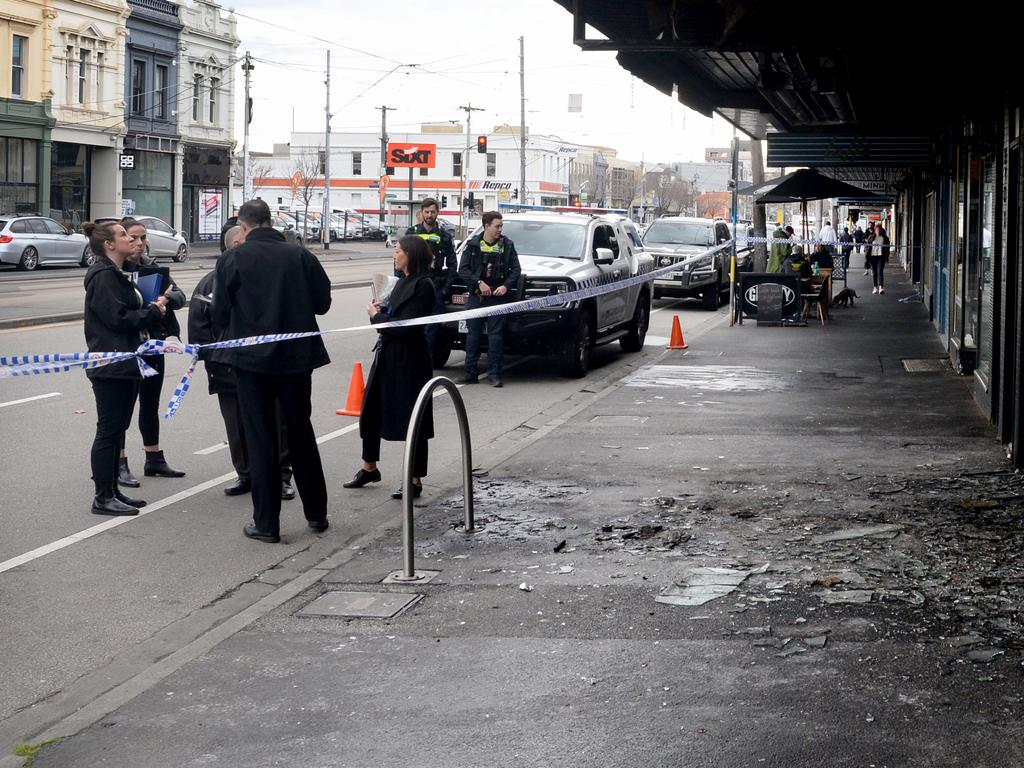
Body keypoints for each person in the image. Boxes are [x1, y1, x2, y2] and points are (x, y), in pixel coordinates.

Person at [212, 199, 331, 543]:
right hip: (296, 360)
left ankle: (266, 524)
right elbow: (323, 303)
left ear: (244, 226)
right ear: (270, 221)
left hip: (251, 363)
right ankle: (317, 513)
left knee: (260, 439)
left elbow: (219, 312)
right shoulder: (300, 255)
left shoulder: (232, 258)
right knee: (300, 434)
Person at [188, 225, 295, 500]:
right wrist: (213, 359)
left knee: (276, 420)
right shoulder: (211, 282)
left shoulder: (266, 277)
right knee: (236, 425)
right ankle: (245, 474)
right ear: (234, 245)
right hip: (227, 368)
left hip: (267, 364)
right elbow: (200, 325)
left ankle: (282, 476)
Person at [82, 221, 168, 515]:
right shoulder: (104, 276)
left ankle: (113, 490)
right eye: (122, 235)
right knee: (109, 431)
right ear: (108, 244)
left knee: (118, 428)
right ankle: (102, 496)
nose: (130, 239)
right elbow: (119, 319)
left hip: (126, 361)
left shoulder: (116, 274)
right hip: (111, 365)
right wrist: (152, 311)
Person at [343, 236, 436, 499]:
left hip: (410, 361)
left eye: (398, 251)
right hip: (387, 355)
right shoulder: (400, 282)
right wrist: (380, 310)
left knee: (413, 418)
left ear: (411, 254)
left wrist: (377, 317)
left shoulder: (423, 285)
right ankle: (369, 466)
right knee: (370, 409)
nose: (394, 256)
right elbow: (393, 316)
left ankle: (415, 479)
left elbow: (406, 327)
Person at [115, 217, 187, 487]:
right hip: (126, 348)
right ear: (121, 239)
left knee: (150, 403)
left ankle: (153, 458)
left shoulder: (153, 268)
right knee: (123, 407)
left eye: (143, 237)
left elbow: (179, 295)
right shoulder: (113, 271)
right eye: (133, 237)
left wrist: (166, 299)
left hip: (153, 343)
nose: (139, 243)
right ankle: (119, 462)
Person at [458, 211, 522, 387]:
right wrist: (478, 283)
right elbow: (462, 270)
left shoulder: (507, 245)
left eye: (501, 226)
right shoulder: (472, 245)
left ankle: (494, 374)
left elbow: (516, 270)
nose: (500, 230)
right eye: (497, 226)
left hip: (497, 298)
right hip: (477, 297)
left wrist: (506, 286)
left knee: (495, 337)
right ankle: (470, 373)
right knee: (473, 336)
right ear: (486, 226)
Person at [405, 198, 456, 364]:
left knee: (431, 330)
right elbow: (399, 260)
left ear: (437, 213)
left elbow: (453, 266)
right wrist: (401, 285)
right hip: (414, 285)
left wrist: (444, 290)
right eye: (426, 212)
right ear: (421, 213)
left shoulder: (444, 236)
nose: (429, 215)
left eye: (432, 212)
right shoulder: (411, 233)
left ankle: (425, 365)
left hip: (435, 288)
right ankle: (411, 362)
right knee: (412, 327)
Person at [868, 223, 891, 294]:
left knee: (880, 271)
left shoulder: (885, 238)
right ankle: (875, 287)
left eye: (879, 230)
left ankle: (881, 287)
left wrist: (886, 255)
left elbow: (888, 247)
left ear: (881, 230)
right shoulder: (871, 237)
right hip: (873, 257)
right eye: (876, 230)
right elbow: (867, 246)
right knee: (874, 273)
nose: (877, 231)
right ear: (875, 230)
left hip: (881, 257)